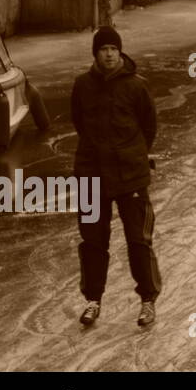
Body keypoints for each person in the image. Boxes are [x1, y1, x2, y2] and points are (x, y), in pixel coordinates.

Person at [72, 26, 161, 329]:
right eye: (103, 49)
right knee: (93, 241)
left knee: (139, 240)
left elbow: (149, 127)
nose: (109, 54)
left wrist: (132, 154)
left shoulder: (137, 86)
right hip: (91, 175)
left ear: (120, 52)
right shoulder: (82, 85)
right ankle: (93, 300)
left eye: (113, 49)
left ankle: (147, 300)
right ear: (95, 53)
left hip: (130, 176)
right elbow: (79, 123)